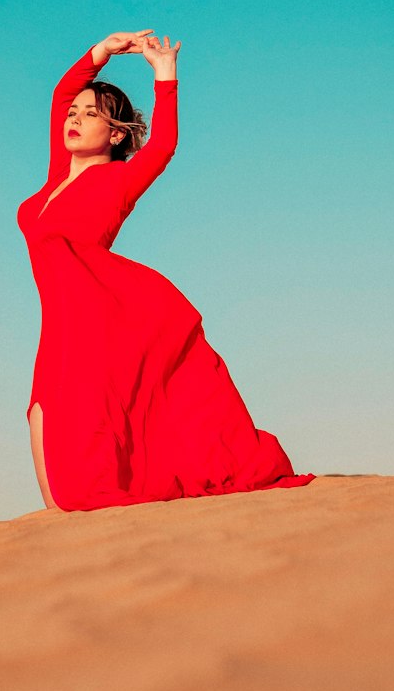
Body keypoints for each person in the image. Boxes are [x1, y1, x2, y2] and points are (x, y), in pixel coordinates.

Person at [17, 29, 315, 511]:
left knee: (73, 442)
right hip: (59, 321)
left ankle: (87, 535)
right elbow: (61, 94)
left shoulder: (117, 179)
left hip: (101, 318)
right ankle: (65, 542)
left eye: (91, 114)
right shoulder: (56, 177)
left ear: (115, 134)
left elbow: (162, 146)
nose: (74, 118)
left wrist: (164, 73)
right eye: (74, 114)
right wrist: (103, 51)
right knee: (40, 416)